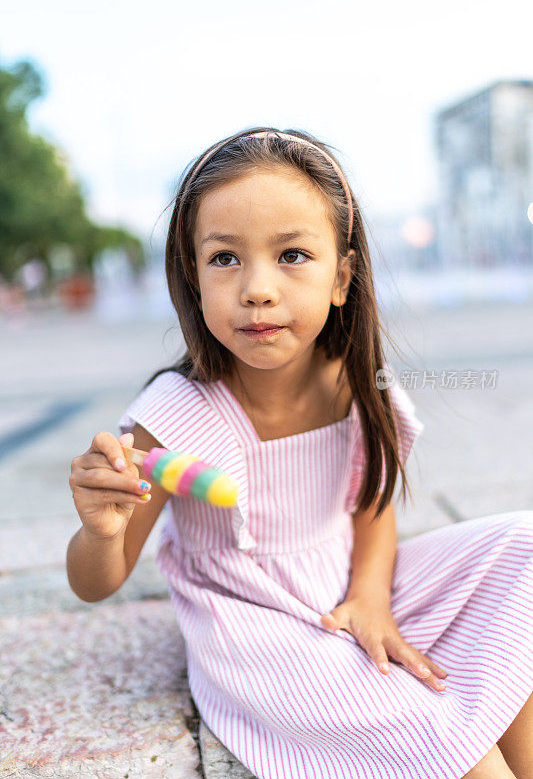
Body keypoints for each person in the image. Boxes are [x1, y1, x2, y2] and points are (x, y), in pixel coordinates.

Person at [67, 127, 533, 779]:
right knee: (442, 731)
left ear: (341, 277)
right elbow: (98, 581)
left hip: (349, 582)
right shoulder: (173, 414)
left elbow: (369, 507)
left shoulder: (353, 381)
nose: (258, 288)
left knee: (522, 544)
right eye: (225, 259)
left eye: (291, 254)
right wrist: (98, 530)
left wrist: (371, 596)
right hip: (257, 626)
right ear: (193, 278)